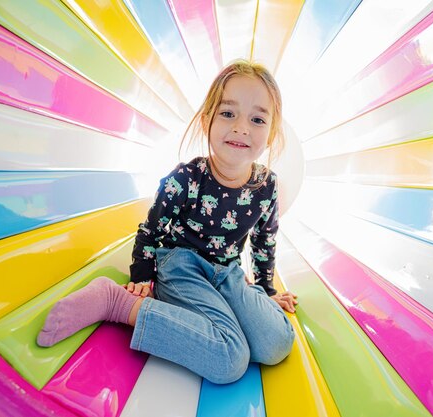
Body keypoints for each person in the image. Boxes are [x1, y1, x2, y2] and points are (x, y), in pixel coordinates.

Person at [37, 60, 297, 384]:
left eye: (257, 119)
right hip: (181, 266)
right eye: (228, 113)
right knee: (230, 358)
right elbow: (151, 230)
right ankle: (116, 303)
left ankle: (241, 307)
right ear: (207, 121)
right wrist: (141, 279)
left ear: (271, 134)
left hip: (227, 272)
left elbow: (264, 239)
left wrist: (266, 289)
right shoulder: (186, 178)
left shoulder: (267, 186)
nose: (242, 127)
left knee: (277, 342)